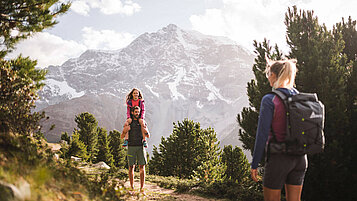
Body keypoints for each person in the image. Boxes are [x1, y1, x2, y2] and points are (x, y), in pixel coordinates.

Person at [250, 57, 307, 201]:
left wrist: (255, 163)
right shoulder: (298, 96)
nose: (268, 78)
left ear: (274, 76)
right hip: (300, 157)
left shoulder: (269, 99)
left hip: (279, 158)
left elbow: (262, 134)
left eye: (268, 74)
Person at [121, 106, 150, 195]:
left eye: (138, 112)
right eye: (135, 112)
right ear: (132, 112)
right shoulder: (129, 123)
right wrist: (124, 131)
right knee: (131, 167)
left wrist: (146, 132)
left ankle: (142, 188)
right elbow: (122, 136)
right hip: (131, 147)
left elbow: (148, 135)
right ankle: (132, 188)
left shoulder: (142, 122)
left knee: (142, 167)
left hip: (140, 146)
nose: (137, 113)